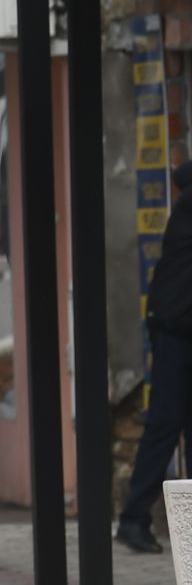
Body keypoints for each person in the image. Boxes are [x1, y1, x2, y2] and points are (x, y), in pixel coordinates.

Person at [123, 216, 192, 555]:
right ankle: (133, 517)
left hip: (176, 326)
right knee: (165, 422)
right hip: (176, 329)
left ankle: (140, 518)